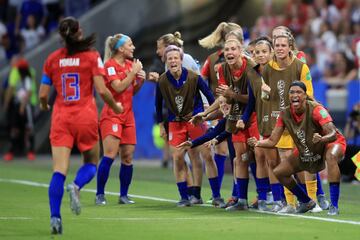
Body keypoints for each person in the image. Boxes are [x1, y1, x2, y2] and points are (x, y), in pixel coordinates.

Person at [38, 17, 123, 235]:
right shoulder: (91, 57)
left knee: (59, 170)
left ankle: (55, 218)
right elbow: (103, 91)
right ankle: (76, 186)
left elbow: (43, 95)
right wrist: (115, 106)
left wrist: (45, 105)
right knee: (91, 163)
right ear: (79, 32)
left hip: (61, 118)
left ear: (61, 35)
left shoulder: (52, 59)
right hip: (85, 116)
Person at [249, 81, 346, 215]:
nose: (295, 95)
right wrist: (258, 143)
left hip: (331, 143)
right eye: (292, 92)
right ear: (288, 96)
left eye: (299, 92)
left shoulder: (317, 110)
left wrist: (322, 139)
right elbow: (272, 141)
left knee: (331, 157)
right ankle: (306, 201)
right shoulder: (284, 114)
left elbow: (333, 133)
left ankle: (334, 205)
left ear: (305, 95)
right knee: (279, 172)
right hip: (310, 146)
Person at [155, 45, 222, 207]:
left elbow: (211, 97)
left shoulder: (194, 77)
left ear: (181, 60)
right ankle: (184, 197)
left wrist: (211, 116)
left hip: (195, 120)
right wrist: (162, 126)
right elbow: (158, 106)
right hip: (175, 123)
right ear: (166, 61)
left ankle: (216, 195)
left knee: (207, 155)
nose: (173, 61)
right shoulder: (162, 81)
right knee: (177, 158)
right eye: (169, 58)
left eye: (175, 58)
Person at [95, 33, 145, 205]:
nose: (133, 48)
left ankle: (123, 195)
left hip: (128, 116)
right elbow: (118, 87)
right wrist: (132, 74)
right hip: (112, 116)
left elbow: (131, 91)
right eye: (130, 45)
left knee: (128, 157)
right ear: (120, 49)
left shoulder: (131, 65)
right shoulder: (109, 66)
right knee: (109, 155)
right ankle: (99, 194)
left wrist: (140, 82)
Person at [3, 57, 37, 161]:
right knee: (14, 127)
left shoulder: (27, 75)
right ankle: (12, 151)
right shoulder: (19, 72)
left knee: (28, 127)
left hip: (27, 104)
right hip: (18, 104)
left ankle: (30, 151)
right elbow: (12, 88)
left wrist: (21, 105)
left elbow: (29, 91)